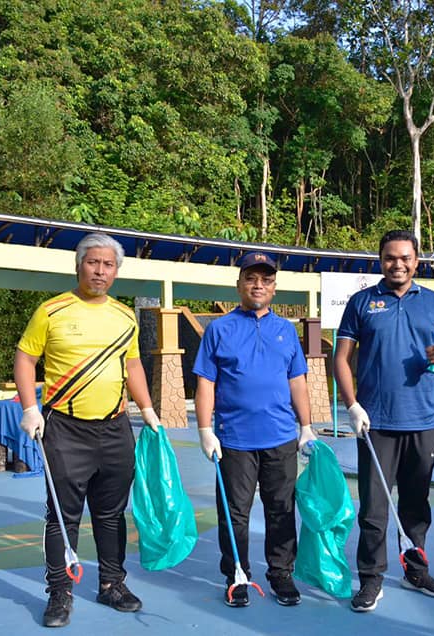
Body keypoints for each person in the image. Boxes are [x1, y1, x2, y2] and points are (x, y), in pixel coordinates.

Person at [14, 232, 162, 628]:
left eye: (108, 264)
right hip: (64, 428)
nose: (100, 270)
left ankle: (112, 584)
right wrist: (31, 408)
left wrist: (147, 409)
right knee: (62, 516)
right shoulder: (52, 310)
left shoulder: (124, 316)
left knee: (112, 514)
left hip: (115, 428)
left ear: (116, 271)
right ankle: (60, 592)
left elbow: (132, 366)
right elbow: (26, 359)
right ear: (78, 266)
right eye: (93, 262)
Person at [333, 229, 434, 613]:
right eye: (391, 257)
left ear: (416, 261)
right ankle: (371, 579)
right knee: (374, 508)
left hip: (423, 422)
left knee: (416, 505)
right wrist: (352, 405)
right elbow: (341, 359)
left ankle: (416, 570)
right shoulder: (362, 302)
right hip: (376, 425)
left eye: (405, 257)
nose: (398, 264)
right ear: (381, 261)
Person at [192, 251, 316, 608]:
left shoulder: (286, 331)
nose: (258, 285)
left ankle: (281, 574)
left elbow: (297, 381)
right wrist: (204, 429)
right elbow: (205, 383)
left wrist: (305, 425)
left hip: (280, 437)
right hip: (234, 440)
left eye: (265, 279)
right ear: (239, 284)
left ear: (274, 287)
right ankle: (237, 575)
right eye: (251, 278)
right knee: (235, 514)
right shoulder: (219, 329)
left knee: (281, 509)